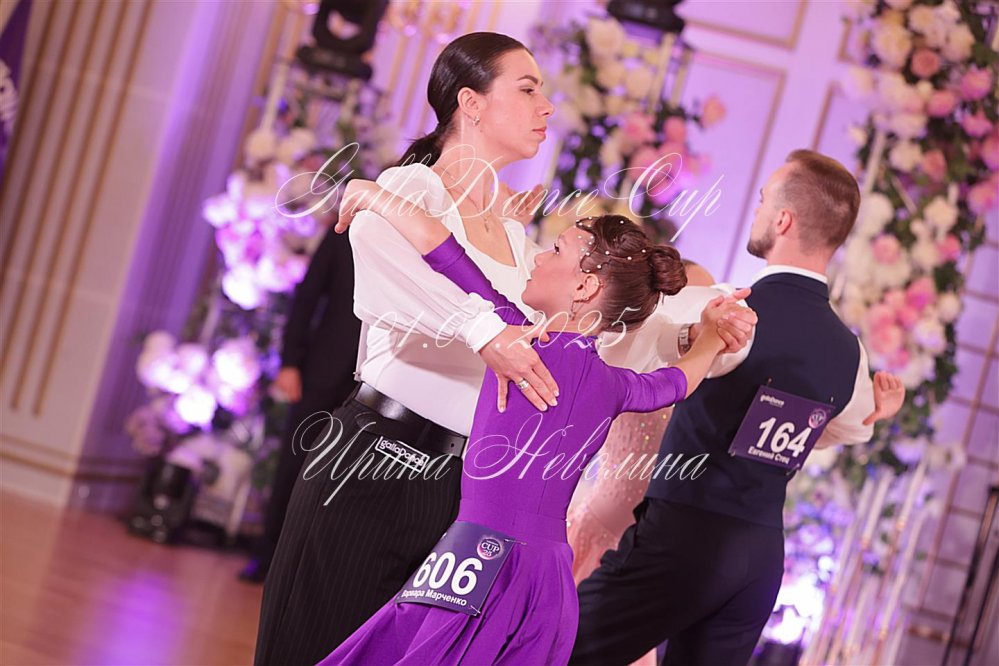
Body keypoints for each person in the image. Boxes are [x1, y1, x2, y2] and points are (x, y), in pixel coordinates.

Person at [322, 175, 755, 664]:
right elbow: (676, 382)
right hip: (546, 577)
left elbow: (442, 251)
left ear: (585, 285)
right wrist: (711, 337)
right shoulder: (610, 383)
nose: (538, 258)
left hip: (480, 557)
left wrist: (372, 193)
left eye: (555, 250)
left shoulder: (518, 341)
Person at [253, 32, 561, 666]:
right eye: (528, 89)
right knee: (310, 646)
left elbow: (535, 329)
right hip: (372, 457)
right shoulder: (410, 190)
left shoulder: (512, 232)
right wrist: (485, 333)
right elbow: (392, 285)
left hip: (457, 482)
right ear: (471, 102)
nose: (546, 106)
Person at [570, 149, 906, 666]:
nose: (757, 209)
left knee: (556, 645)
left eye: (764, 199)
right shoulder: (850, 351)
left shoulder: (732, 309)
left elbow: (624, 349)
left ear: (783, 220)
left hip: (683, 539)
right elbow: (853, 426)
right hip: (760, 559)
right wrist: (876, 414)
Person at [238, 226, 362, 583]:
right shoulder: (345, 232)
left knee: (350, 478)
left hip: (376, 381)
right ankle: (267, 557)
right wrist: (290, 361)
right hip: (322, 370)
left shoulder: (421, 240)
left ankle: (317, 574)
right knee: (294, 466)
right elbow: (307, 297)